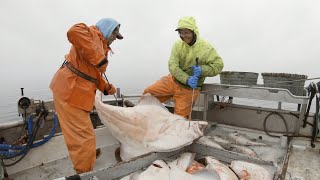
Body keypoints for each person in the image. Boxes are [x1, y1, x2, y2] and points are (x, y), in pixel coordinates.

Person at [49, 18, 123, 174]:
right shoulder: (90, 32)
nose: (115, 39)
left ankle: (87, 156)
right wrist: (99, 58)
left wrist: (107, 88)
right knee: (84, 138)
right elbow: (73, 31)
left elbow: (93, 75)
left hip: (79, 94)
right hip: (70, 91)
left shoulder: (102, 46)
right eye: (115, 35)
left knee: (83, 134)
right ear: (108, 30)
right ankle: (84, 172)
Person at [142, 16, 223, 119]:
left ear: (194, 31)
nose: (184, 36)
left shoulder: (206, 47)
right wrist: (187, 79)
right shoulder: (177, 45)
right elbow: (172, 65)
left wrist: (202, 70)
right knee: (147, 95)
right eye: (181, 32)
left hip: (189, 90)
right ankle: (145, 118)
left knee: (180, 120)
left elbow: (218, 65)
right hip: (172, 81)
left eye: (186, 32)